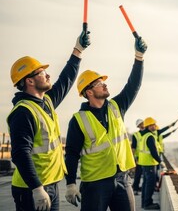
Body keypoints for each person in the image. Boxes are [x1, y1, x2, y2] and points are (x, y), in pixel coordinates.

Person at [7, 30, 90, 211]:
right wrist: (37, 188)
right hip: (31, 189)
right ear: (29, 80)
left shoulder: (46, 101)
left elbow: (65, 80)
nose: (48, 75)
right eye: (42, 72)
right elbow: (20, 153)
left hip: (50, 184)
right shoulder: (23, 112)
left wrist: (78, 50)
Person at [64, 35, 147, 211]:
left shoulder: (117, 106)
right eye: (99, 83)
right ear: (89, 92)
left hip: (122, 179)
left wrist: (139, 57)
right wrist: (70, 183)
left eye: (103, 81)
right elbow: (71, 154)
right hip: (95, 184)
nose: (104, 84)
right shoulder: (78, 120)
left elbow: (133, 85)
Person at [139, 117, 165, 210]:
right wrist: (160, 161)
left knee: (146, 184)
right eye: (153, 124)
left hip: (144, 163)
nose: (155, 126)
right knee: (150, 184)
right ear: (149, 126)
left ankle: (144, 203)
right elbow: (153, 152)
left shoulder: (144, 135)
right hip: (149, 164)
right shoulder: (150, 136)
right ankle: (148, 204)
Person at [131, 118, 146, 195]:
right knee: (138, 173)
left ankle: (139, 188)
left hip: (146, 157)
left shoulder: (148, 133)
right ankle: (135, 188)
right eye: (140, 125)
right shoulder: (136, 135)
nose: (142, 126)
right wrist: (133, 159)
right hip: (139, 157)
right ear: (138, 126)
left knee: (145, 174)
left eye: (142, 124)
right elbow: (133, 147)